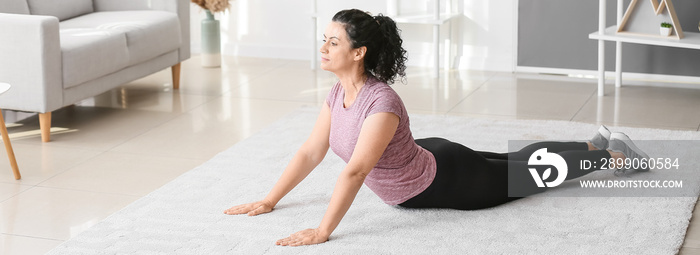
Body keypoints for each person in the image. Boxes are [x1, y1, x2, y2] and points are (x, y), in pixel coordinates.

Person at [223, 9, 649, 247]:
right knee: (516, 160)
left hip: (443, 180)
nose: (324, 47)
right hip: (428, 156)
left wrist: (322, 231)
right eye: (325, 39)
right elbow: (311, 151)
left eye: (334, 41)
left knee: (528, 174)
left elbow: (353, 171)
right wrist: (269, 199)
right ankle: (591, 143)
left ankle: (611, 156)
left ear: (359, 53)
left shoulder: (381, 102)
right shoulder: (338, 93)